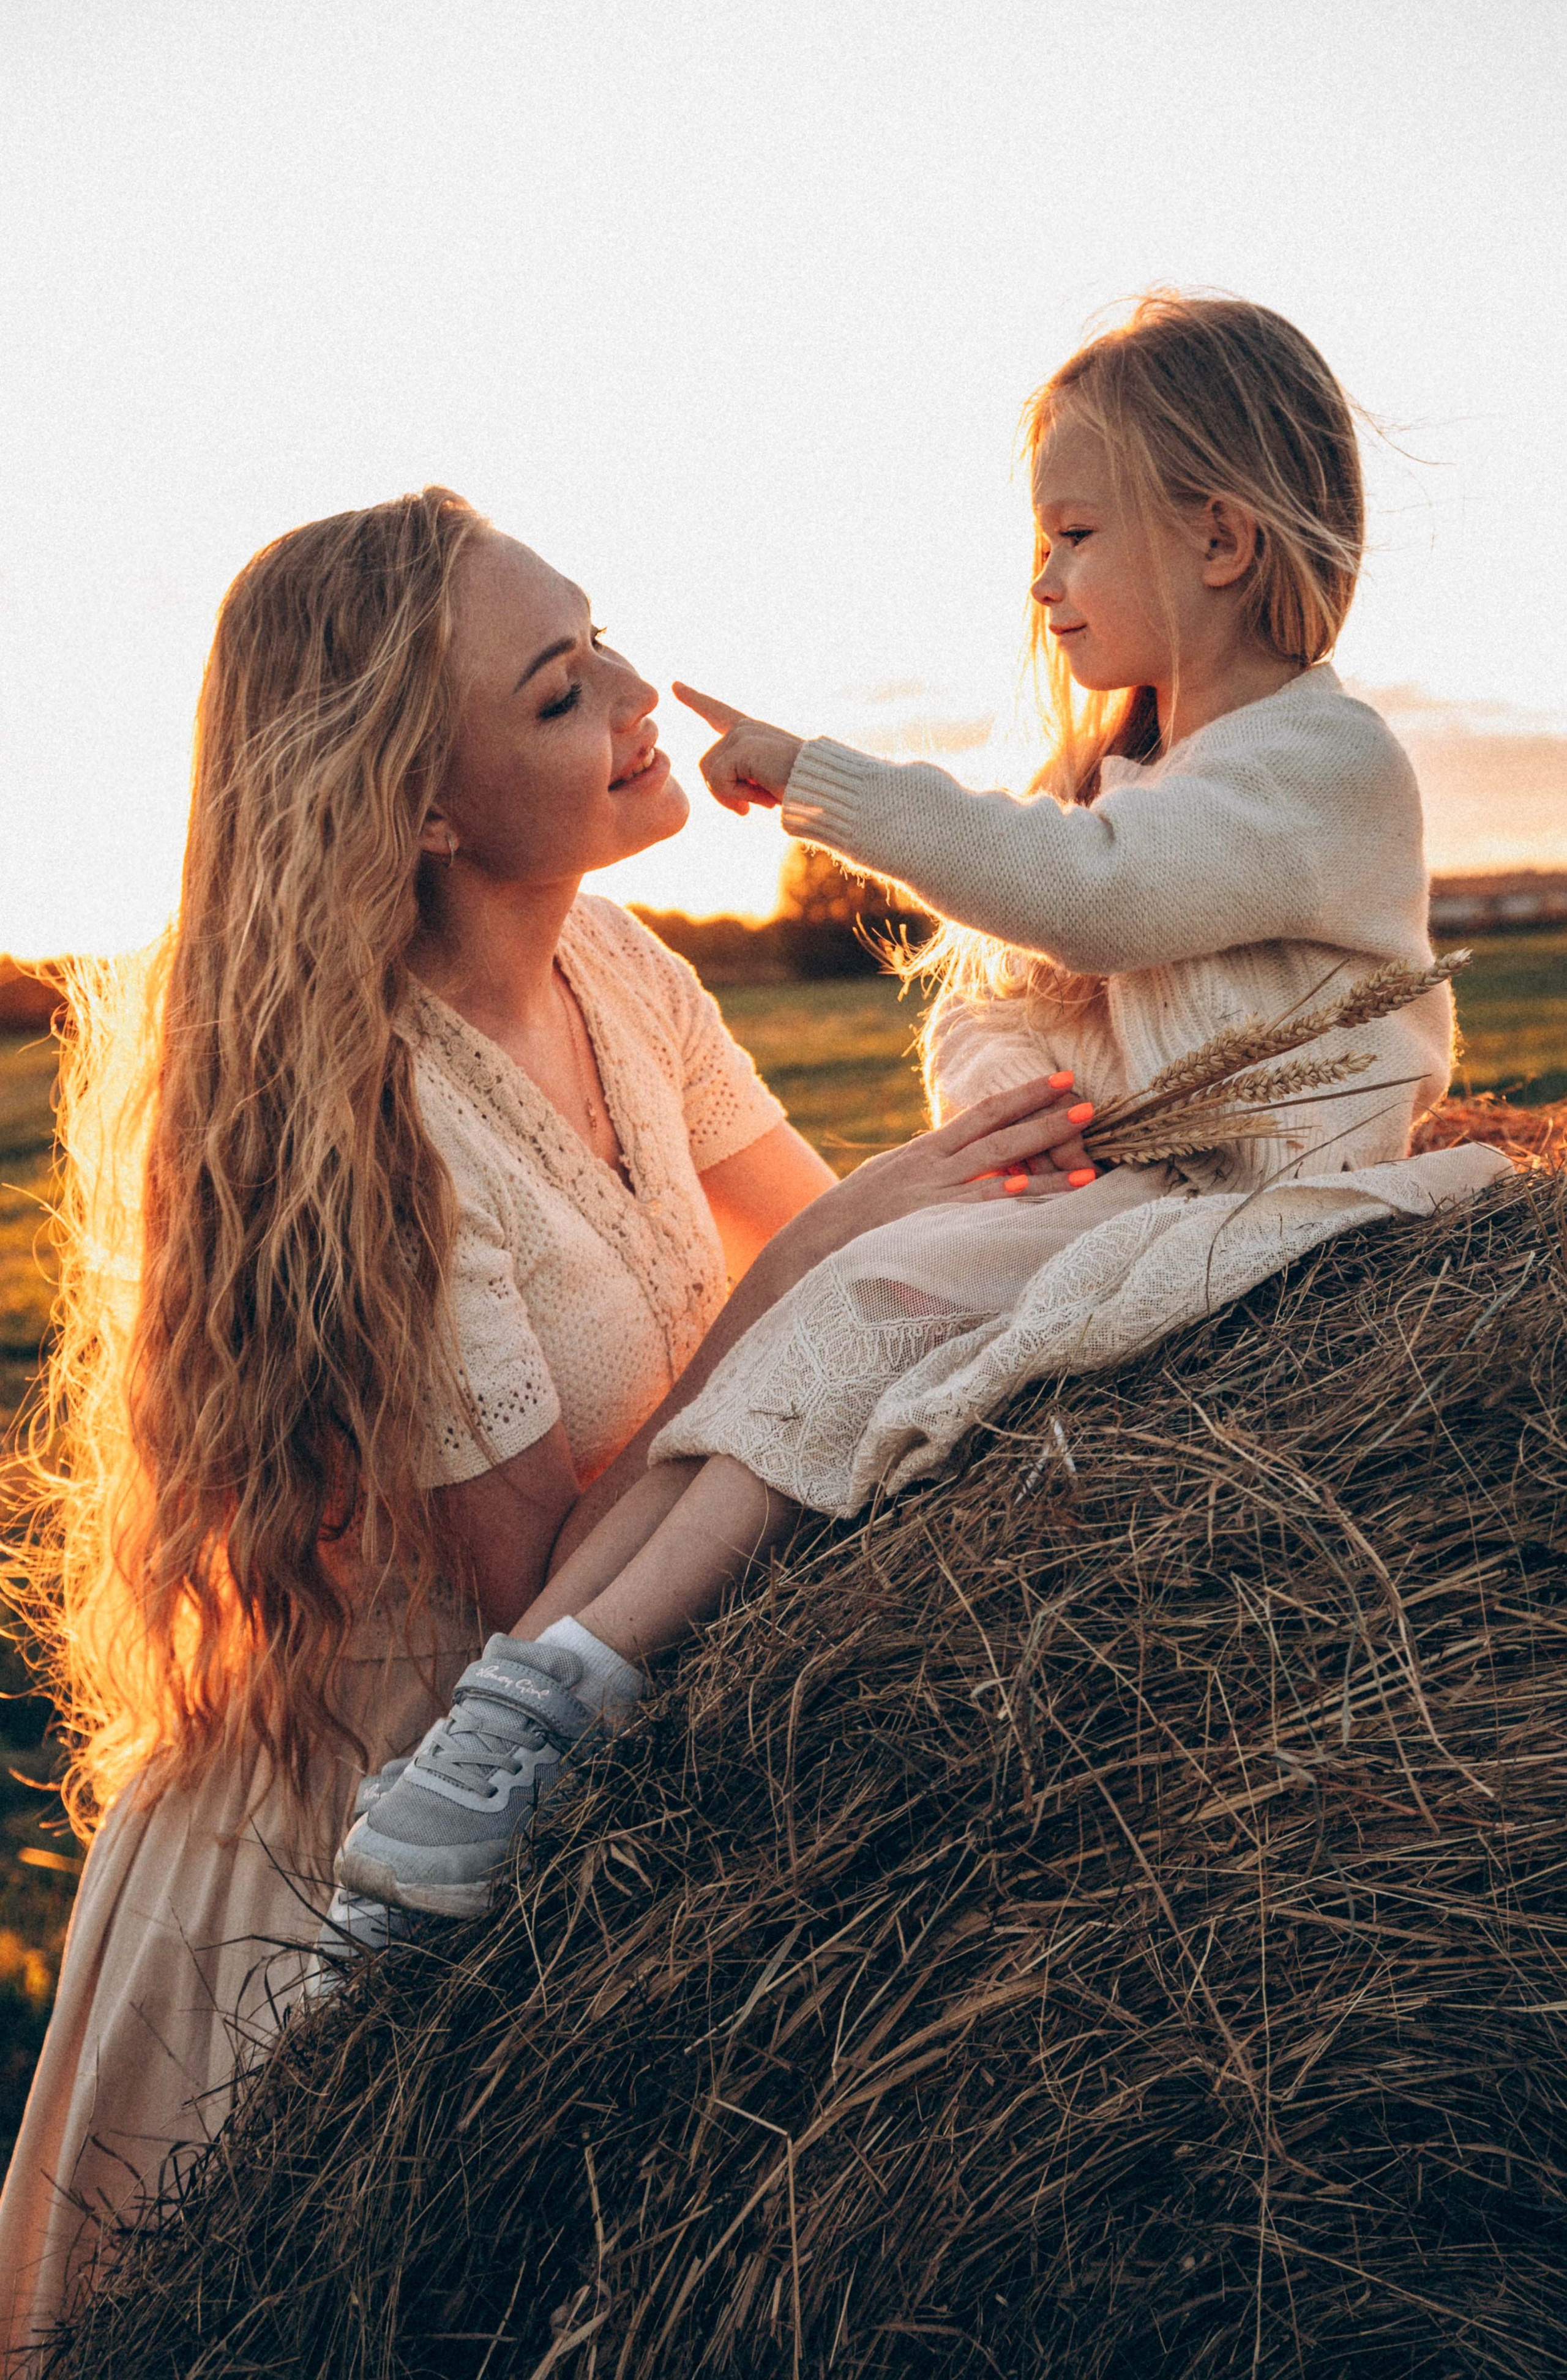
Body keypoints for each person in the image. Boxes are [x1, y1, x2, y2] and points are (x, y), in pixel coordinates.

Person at [0, 489, 1093, 2352]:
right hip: (367, 1838)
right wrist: (829, 1244)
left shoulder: (623, 967)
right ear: (422, 809)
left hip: (588, 1758)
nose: (635, 697)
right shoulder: (383, 1129)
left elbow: (854, 1275)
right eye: (558, 690)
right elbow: (541, 1603)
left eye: (600, 642)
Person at [333, 295, 1506, 1925]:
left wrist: (819, 781)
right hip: (1151, 1196)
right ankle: (517, 1697)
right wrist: (1009, 1093)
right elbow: (1008, 987)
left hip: (1270, 1206)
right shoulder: (1145, 771)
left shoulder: (1322, 766)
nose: (1042, 580)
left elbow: (1085, 904)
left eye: (1075, 534)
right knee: (795, 1339)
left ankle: (580, 1674)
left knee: (856, 1308)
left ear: (1223, 540)